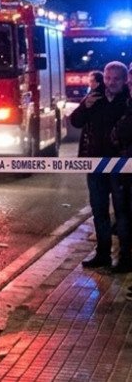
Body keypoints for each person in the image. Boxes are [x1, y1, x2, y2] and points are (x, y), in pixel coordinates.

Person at [70, 60, 131, 272]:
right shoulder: (95, 98)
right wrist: (84, 106)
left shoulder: (128, 100)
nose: (111, 82)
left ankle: (125, 258)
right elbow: (75, 121)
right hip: (96, 164)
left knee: (123, 212)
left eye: (116, 79)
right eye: (107, 78)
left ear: (125, 80)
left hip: (121, 166)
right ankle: (103, 254)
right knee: (99, 210)